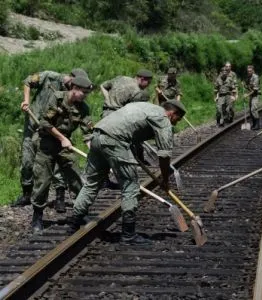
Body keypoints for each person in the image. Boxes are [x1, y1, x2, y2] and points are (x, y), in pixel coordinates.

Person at [68, 100, 186, 245]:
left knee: (92, 183)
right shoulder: (163, 119)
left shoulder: (146, 106)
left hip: (97, 136)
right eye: (177, 120)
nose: (175, 124)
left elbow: (130, 125)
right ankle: (128, 234)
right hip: (115, 140)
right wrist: (165, 180)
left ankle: (74, 223)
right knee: (130, 186)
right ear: (172, 113)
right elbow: (164, 155)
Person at [13, 68, 88, 209]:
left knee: (57, 163)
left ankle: (60, 197)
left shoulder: (72, 96)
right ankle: (26, 194)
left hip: (54, 132)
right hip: (33, 124)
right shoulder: (49, 76)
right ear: (70, 78)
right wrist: (26, 101)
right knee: (27, 161)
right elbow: (27, 82)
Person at [30, 76, 94, 233]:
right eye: (83, 92)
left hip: (65, 146)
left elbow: (88, 133)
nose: (84, 96)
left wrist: (92, 149)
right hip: (47, 142)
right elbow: (45, 123)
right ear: (74, 88)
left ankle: (81, 213)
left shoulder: (83, 108)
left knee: (76, 178)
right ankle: (37, 217)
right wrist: (62, 138)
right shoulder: (57, 98)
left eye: (87, 93)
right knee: (43, 181)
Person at [243, 65, 261, 130]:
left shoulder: (255, 77)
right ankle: (253, 124)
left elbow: (255, 90)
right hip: (251, 95)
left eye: (250, 71)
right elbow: (248, 86)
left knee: (254, 109)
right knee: (250, 111)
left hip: (256, 95)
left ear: (253, 71)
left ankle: (257, 125)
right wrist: (244, 85)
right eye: (248, 71)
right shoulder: (248, 77)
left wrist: (247, 95)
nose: (249, 72)